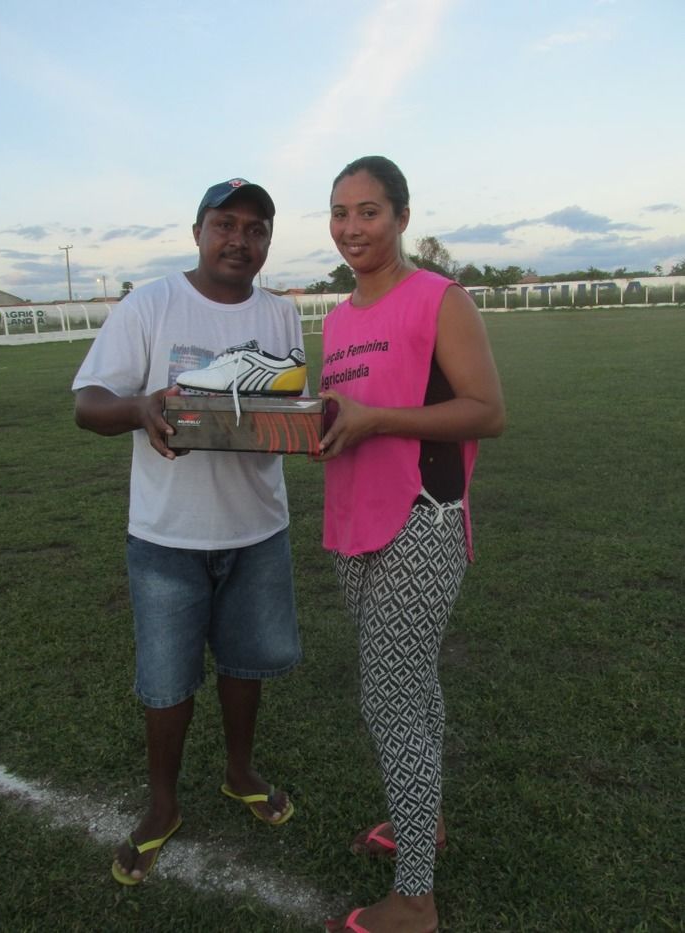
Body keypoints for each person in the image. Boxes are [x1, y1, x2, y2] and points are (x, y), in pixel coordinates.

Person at [72, 178, 303, 885]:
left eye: (256, 227)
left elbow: (291, 408)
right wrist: (142, 406)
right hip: (167, 535)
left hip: (258, 527)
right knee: (167, 681)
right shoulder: (152, 302)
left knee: (246, 663)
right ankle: (162, 804)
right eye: (226, 223)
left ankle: (240, 772)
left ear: (267, 240)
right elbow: (88, 403)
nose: (240, 239)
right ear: (199, 230)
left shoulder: (283, 314)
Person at [318, 156, 506, 933]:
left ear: (398, 216)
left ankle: (416, 902)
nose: (352, 227)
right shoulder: (334, 318)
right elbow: (343, 413)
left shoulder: (439, 298)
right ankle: (419, 820)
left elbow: (487, 411)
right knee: (413, 690)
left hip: (421, 521)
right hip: (350, 523)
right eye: (339, 212)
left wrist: (374, 420)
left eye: (368, 211)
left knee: (390, 696)